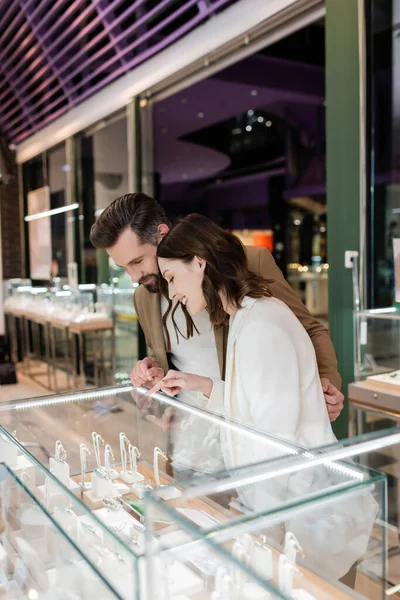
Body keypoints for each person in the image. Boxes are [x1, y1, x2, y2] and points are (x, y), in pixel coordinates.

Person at [90, 192, 344, 421]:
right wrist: (153, 372)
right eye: (124, 268)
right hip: (188, 436)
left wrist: (324, 385)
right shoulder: (144, 297)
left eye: (138, 261)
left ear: (162, 234)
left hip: (250, 426)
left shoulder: (249, 263)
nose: (135, 277)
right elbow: (168, 360)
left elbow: (309, 330)